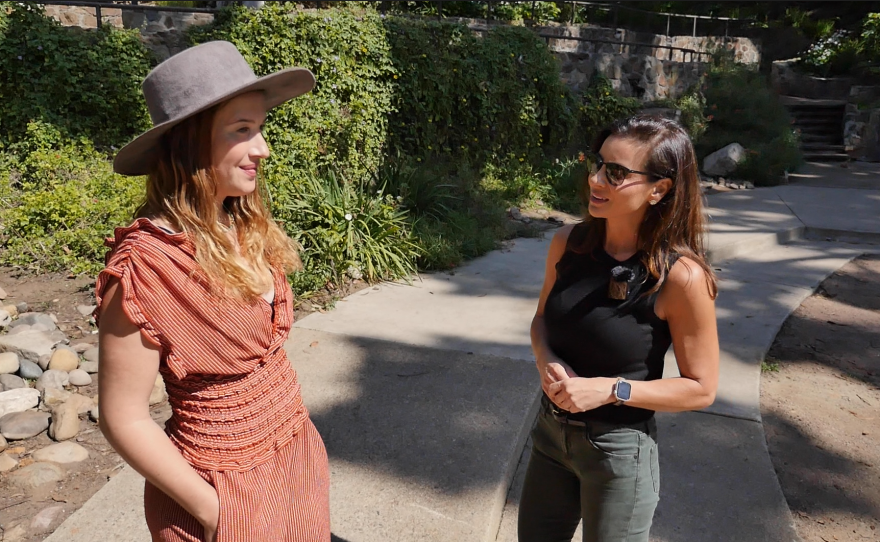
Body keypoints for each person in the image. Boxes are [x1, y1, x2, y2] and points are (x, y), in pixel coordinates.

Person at [95, 41, 330, 542]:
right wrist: (217, 511)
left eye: (259, 128)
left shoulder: (238, 221)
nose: (262, 149)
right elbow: (123, 418)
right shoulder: (145, 267)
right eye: (242, 130)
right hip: (219, 489)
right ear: (190, 144)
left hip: (293, 455)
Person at [517, 114, 720, 542]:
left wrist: (613, 389)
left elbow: (701, 388)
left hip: (618, 453)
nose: (595, 179)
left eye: (615, 173)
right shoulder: (568, 244)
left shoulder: (681, 277)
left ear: (658, 189)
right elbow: (541, 321)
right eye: (597, 164)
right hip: (550, 437)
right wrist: (546, 360)